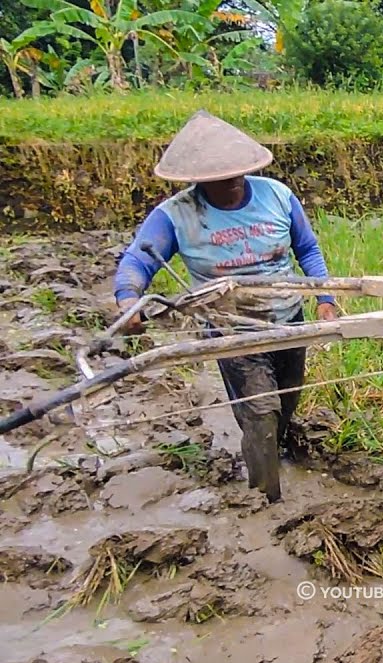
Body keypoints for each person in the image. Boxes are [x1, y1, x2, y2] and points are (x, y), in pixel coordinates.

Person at [113, 109, 339, 503]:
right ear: (197, 179)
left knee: (285, 403)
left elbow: (307, 248)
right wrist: (129, 300)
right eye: (219, 177)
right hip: (230, 330)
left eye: (236, 172)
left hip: (289, 320)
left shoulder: (277, 196)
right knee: (261, 413)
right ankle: (267, 501)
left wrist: (325, 298)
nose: (231, 182)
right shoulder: (175, 216)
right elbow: (137, 261)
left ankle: (269, 454)